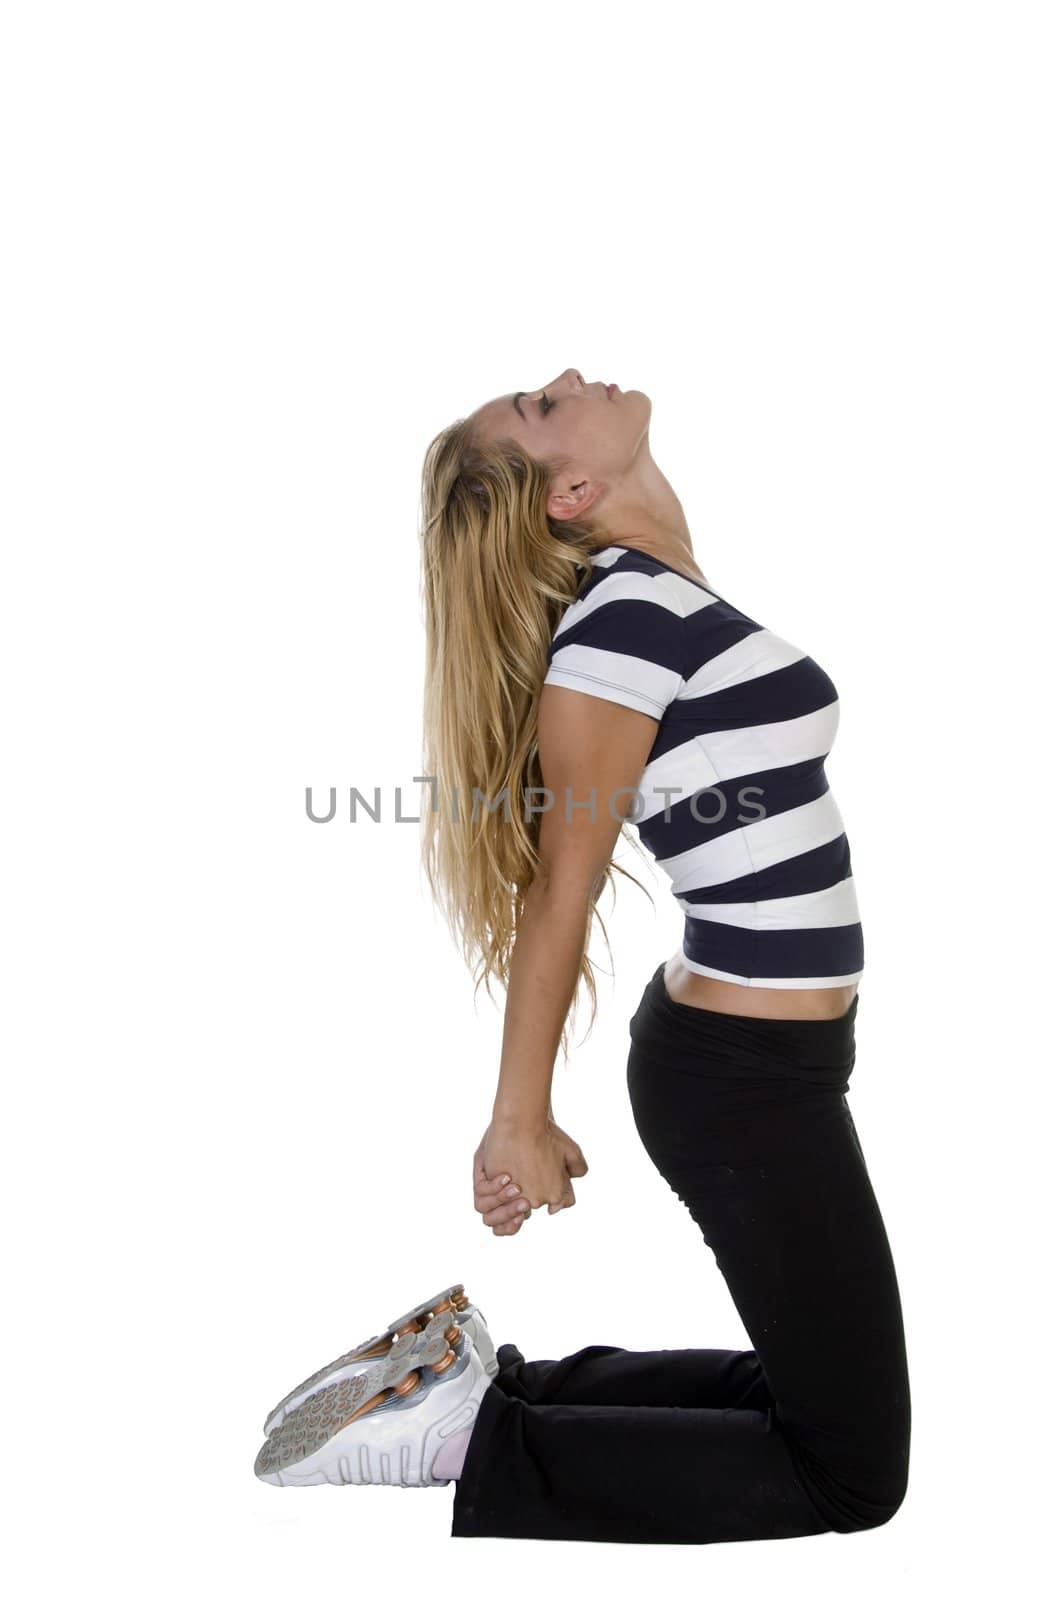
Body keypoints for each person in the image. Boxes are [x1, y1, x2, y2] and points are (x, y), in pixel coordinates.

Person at [253, 368, 911, 1545]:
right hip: (742, 1080)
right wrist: (516, 1114)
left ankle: (481, 1389)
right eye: (539, 406)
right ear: (569, 490)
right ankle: (470, 1439)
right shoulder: (620, 621)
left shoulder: (654, 593)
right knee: (849, 1475)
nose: (563, 379)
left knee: (811, 1407)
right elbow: (560, 886)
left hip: (770, 1064)